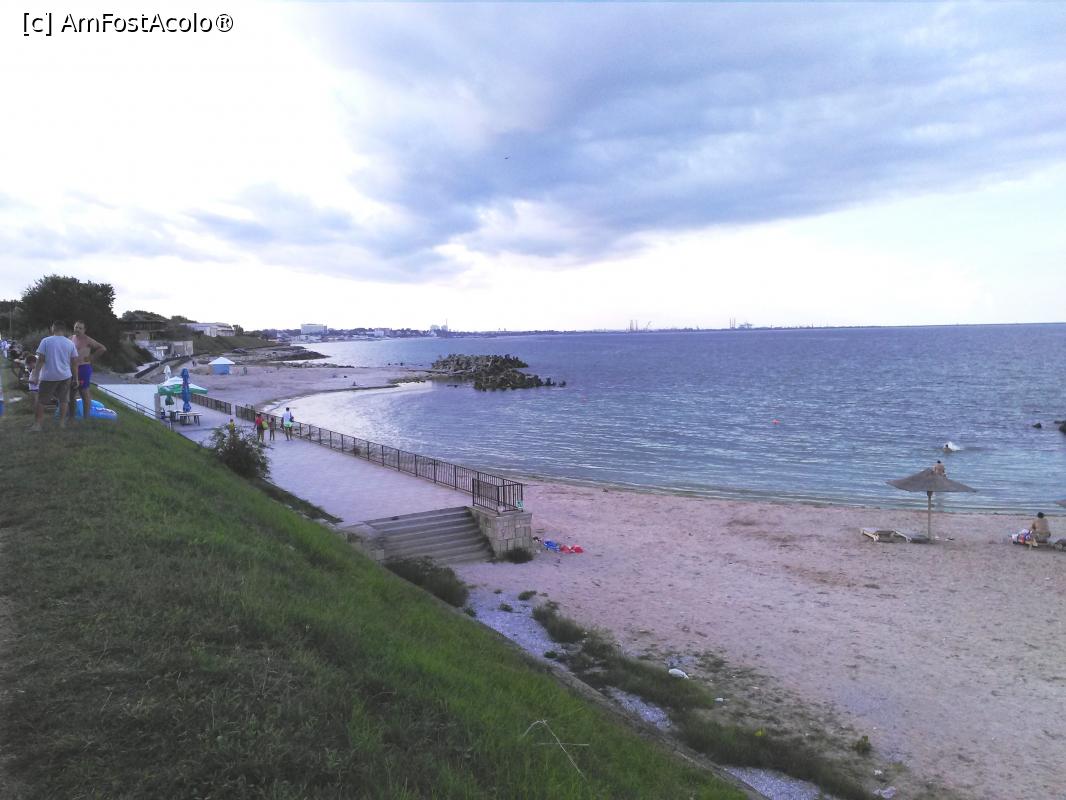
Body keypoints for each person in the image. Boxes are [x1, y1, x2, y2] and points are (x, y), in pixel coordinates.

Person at [29, 321, 79, 431]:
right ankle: (61, 424)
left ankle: (37, 425)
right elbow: (74, 363)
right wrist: (76, 378)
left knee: (41, 401)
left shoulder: (46, 341)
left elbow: (40, 360)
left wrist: (35, 375)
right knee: (64, 400)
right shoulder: (70, 343)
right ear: (64, 330)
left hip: (48, 376)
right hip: (65, 376)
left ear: (53, 328)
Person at [69, 320, 107, 419]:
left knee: (84, 393)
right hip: (72, 368)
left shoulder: (88, 340)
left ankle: (86, 418)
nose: (77, 329)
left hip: (83, 368)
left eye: (80, 328)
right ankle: (71, 417)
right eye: (76, 327)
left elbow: (102, 348)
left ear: (84, 330)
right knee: (71, 394)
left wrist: (92, 357)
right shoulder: (71, 338)